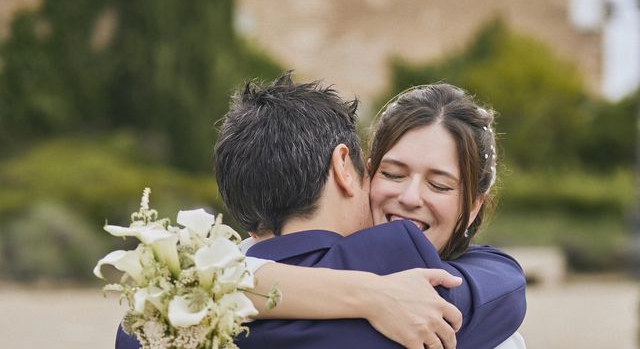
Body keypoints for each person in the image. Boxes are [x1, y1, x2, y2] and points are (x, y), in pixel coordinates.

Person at [116, 73, 526, 349]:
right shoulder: (429, 288)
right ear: (347, 167)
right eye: (391, 173)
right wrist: (370, 295)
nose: (411, 197)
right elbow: (505, 291)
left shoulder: (160, 313)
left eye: (439, 184)